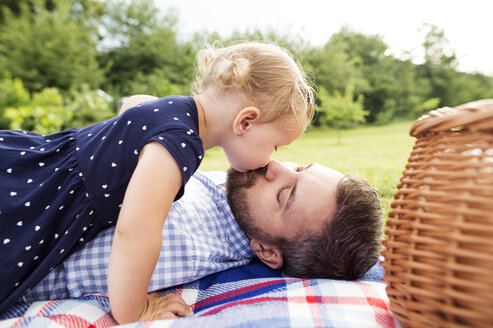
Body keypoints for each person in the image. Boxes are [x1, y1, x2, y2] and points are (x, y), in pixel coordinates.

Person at [0, 41, 314, 323]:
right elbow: (136, 231)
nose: (271, 160)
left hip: (29, 164)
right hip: (34, 201)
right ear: (245, 121)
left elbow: (132, 105)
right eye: (275, 146)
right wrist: (134, 308)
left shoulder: (171, 111)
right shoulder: (180, 146)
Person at [13, 161, 383, 320]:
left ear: (267, 251)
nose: (276, 166)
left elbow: (31, 257)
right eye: (301, 167)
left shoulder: (177, 235)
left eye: (284, 194)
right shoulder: (232, 200)